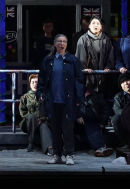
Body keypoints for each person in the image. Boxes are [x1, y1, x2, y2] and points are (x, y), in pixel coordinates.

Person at [37, 34, 83, 165]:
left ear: (67, 44)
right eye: (59, 41)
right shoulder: (48, 60)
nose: (61, 44)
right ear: (54, 43)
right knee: (55, 129)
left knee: (68, 129)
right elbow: (42, 79)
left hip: (68, 100)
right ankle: (56, 155)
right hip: (53, 100)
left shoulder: (73, 60)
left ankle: (69, 155)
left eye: (64, 41)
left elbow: (79, 81)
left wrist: (79, 98)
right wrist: (40, 93)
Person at [75, 17, 114, 156]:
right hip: (87, 83)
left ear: (101, 26)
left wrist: (109, 67)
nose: (96, 25)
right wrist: (84, 69)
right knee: (89, 114)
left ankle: (100, 145)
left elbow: (110, 58)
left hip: (101, 82)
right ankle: (99, 146)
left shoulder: (106, 39)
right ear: (89, 26)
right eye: (93, 23)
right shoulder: (83, 39)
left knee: (100, 112)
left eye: (98, 23)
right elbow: (80, 60)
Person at [19, 73, 53, 154]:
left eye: (37, 82)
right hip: (29, 122)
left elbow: (49, 111)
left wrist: (42, 119)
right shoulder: (25, 97)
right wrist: (35, 118)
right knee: (31, 117)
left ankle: (49, 149)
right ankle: (30, 143)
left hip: (42, 121)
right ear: (30, 84)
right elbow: (22, 112)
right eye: (33, 82)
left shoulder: (44, 96)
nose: (35, 84)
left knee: (44, 125)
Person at [111, 74, 130, 141]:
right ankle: (125, 142)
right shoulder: (118, 96)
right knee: (115, 119)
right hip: (126, 118)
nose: (126, 83)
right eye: (123, 82)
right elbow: (117, 110)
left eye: (127, 80)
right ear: (121, 86)